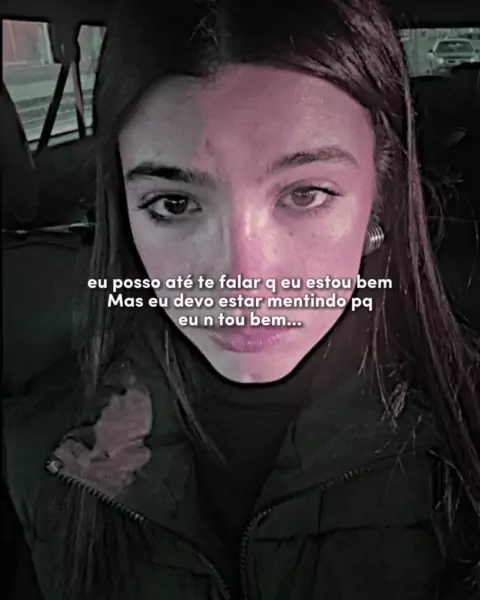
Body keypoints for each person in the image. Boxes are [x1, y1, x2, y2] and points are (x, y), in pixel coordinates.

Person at [3, 0, 480, 599]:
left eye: (305, 194)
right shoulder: (35, 455)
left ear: (378, 202)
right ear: (124, 212)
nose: (244, 279)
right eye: (174, 204)